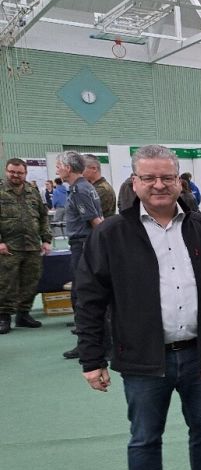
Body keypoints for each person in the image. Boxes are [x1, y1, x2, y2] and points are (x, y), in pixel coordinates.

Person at [75, 144, 201, 470]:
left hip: (200, 355)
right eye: (149, 178)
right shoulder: (110, 233)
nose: (159, 185)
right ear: (134, 182)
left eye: (167, 177)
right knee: (144, 438)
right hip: (144, 361)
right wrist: (92, 359)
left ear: (179, 181)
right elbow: (89, 300)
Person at [59, 151, 103, 360]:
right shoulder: (86, 187)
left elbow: (95, 220)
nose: (57, 169)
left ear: (68, 168)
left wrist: (102, 245)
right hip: (85, 244)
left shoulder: (79, 190)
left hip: (83, 245)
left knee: (81, 295)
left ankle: (88, 343)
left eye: (59, 165)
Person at [0, 158, 52, 334]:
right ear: (7, 171)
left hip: (32, 246)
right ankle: (4, 317)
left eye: (19, 172)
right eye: (12, 172)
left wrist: (46, 239)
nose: (15, 175)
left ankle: (23, 314)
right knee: (6, 283)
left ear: (25, 173)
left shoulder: (32, 191)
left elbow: (43, 216)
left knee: (31, 281)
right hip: (8, 248)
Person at [83, 154, 116, 218]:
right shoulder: (93, 187)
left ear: (94, 169)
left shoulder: (102, 189)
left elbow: (86, 213)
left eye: (82, 168)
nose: (80, 172)